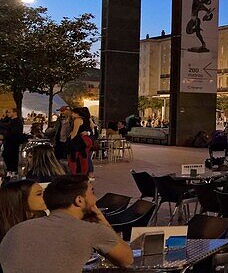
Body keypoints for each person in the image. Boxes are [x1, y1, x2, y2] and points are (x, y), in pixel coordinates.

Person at [0, 174, 133, 273]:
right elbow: (127, 260)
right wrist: (104, 223)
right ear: (79, 201)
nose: (96, 198)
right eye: (92, 192)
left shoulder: (16, 230)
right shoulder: (90, 230)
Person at [67, 107, 95, 175]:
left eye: (73, 113)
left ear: (77, 114)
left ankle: (73, 174)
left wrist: (69, 141)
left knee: (73, 159)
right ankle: (84, 175)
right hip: (86, 140)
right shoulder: (88, 120)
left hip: (78, 141)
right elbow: (93, 128)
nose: (72, 114)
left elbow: (74, 132)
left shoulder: (78, 120)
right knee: (84, 158)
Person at [0, 110, 25, 176]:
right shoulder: (10, 121)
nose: (8, 113)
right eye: (7, 112)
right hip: (9, 142)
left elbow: (14, 133)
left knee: (11, 157)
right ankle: (10, 170)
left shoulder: (17, 122)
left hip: (12, 143)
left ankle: (13, 171)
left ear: (15, 113)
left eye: (9, 112)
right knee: (7, 156)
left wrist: (5, 135)